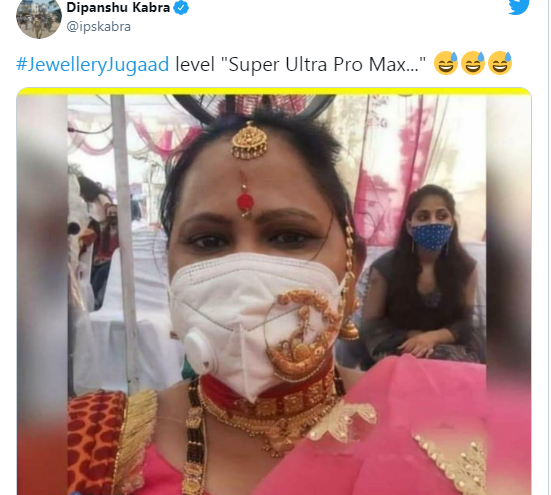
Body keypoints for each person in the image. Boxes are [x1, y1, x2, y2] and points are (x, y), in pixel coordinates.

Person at [68, 113, 526, 495]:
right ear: (169, 268)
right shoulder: (87, 445)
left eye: (289, 236)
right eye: (208, 241)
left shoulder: (472, 417)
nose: (245, 273)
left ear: (352, 267)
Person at [360, 185, 485, 364]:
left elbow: (465, 323)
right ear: (410, 227)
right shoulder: (385, 268)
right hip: (398, 343)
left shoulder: (466, 268)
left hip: (449, 344)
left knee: (449, 364)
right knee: (412, 362)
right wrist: (414, 337)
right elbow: (371, 326)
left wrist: (433, 338)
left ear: (451, 224)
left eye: (441, 216)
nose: (433, 223)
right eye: (423, 217)